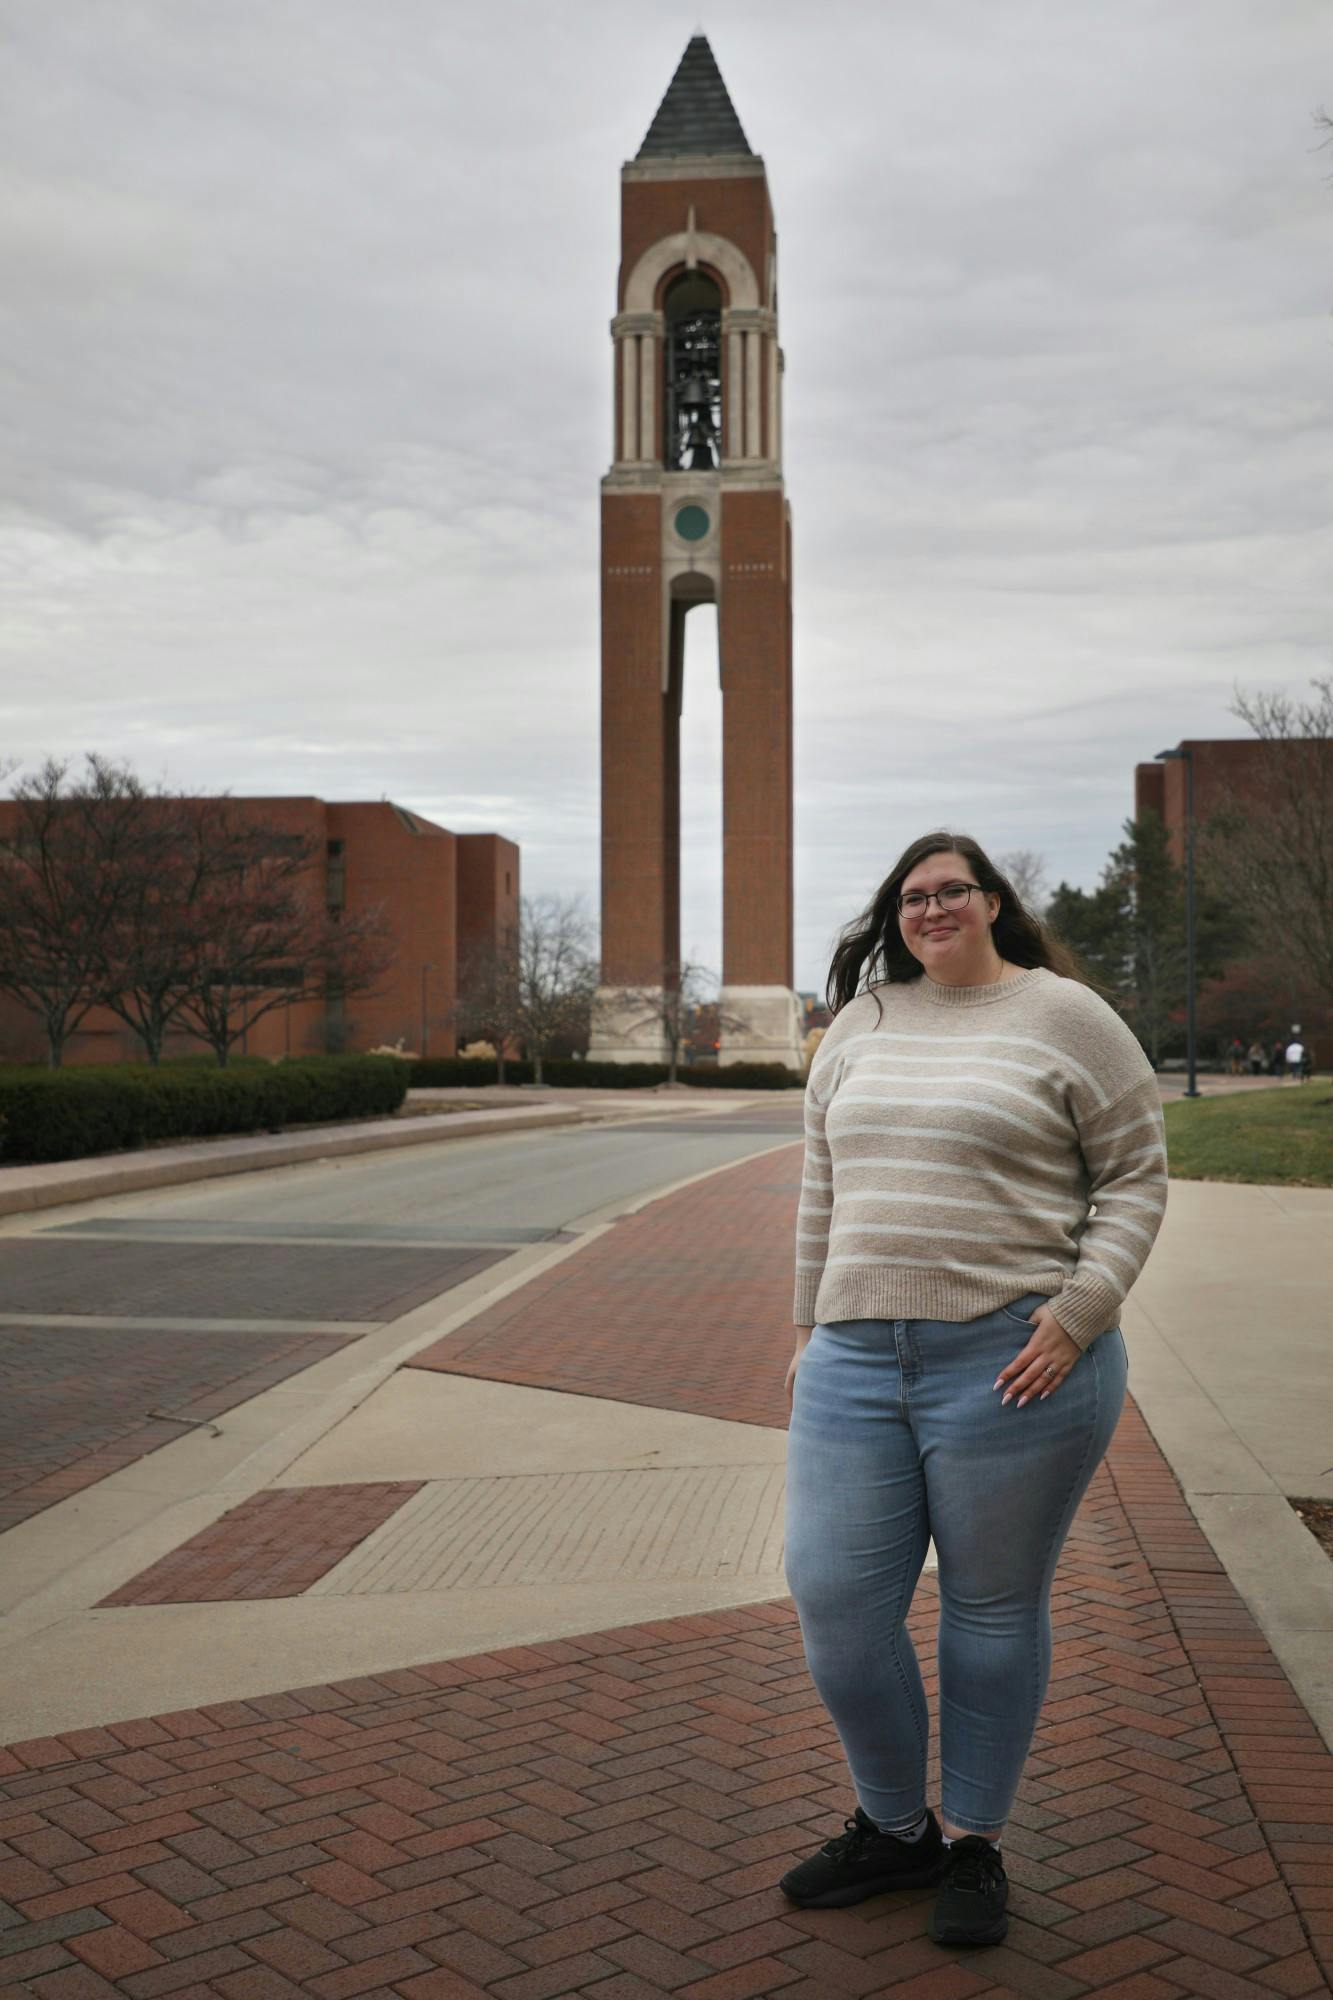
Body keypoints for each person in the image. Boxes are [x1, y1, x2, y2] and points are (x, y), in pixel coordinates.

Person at [779, 831, 1167, 1949]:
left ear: (992, 902)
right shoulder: (861, 1021)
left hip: (1014, 1360)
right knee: (836, 1601)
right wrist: (810, 1326)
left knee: (990, 1610)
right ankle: (894, 1827)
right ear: (893, 914)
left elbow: (1135, 1174)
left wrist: (1078, 1312)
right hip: (854, 1360)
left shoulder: (1066, 1016)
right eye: (912, 895)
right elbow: (820, 1186)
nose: (931, 907)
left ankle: (976, 1844)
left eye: (952, 890)